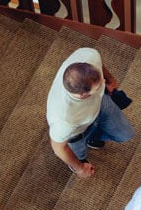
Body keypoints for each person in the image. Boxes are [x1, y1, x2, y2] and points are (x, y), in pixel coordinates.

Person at [46, 48, 134, 178]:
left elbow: (100, 70)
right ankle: (85, 147)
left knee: (126, 134)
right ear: (81, 95)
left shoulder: (90, 56)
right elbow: (58, 148)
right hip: (77, 133)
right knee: (79, 156)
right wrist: (80, 168)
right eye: (98, 87)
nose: (102, 83)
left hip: (100, 103)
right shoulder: (65, 120)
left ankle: (93, 137)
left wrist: (109, 79)